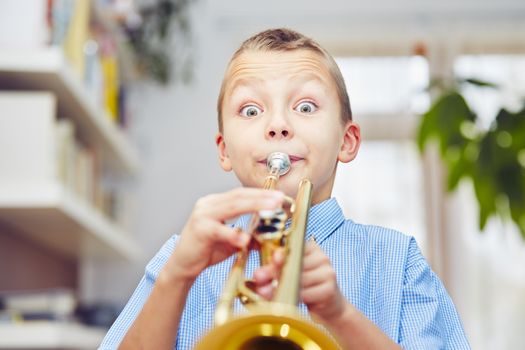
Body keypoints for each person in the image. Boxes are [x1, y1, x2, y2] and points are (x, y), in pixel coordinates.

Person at [99, 28, 470, 349]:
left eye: (306, 107)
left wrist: (340, 315)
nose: (277, 125)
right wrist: (177, 277)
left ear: (347, 141)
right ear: (224, 150)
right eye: (250, 110)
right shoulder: (179, 259)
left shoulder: (397, 260)